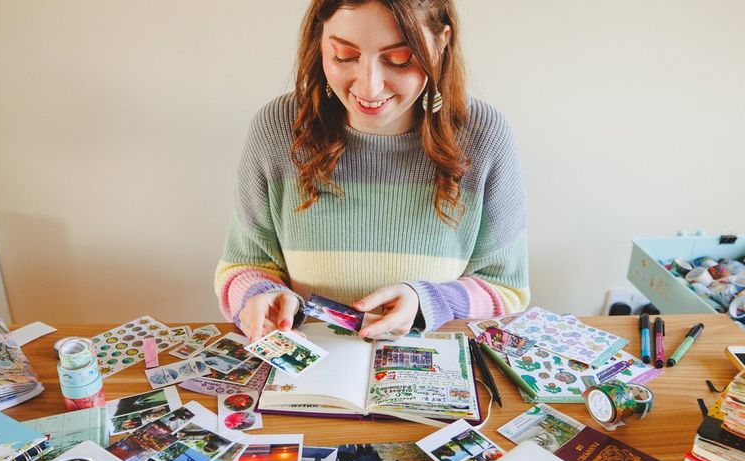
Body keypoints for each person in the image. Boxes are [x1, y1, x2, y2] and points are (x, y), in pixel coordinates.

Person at [215, 0, 529, 341]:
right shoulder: (277, 128)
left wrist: (429, 302)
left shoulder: (484, 136)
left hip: (430, 370)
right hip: (310, 374)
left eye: (400, 58)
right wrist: (258, 296)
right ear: (319, 42)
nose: (369, 88)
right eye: (344, 56)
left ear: (440, 43)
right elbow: (243, 267)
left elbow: (506, 290)